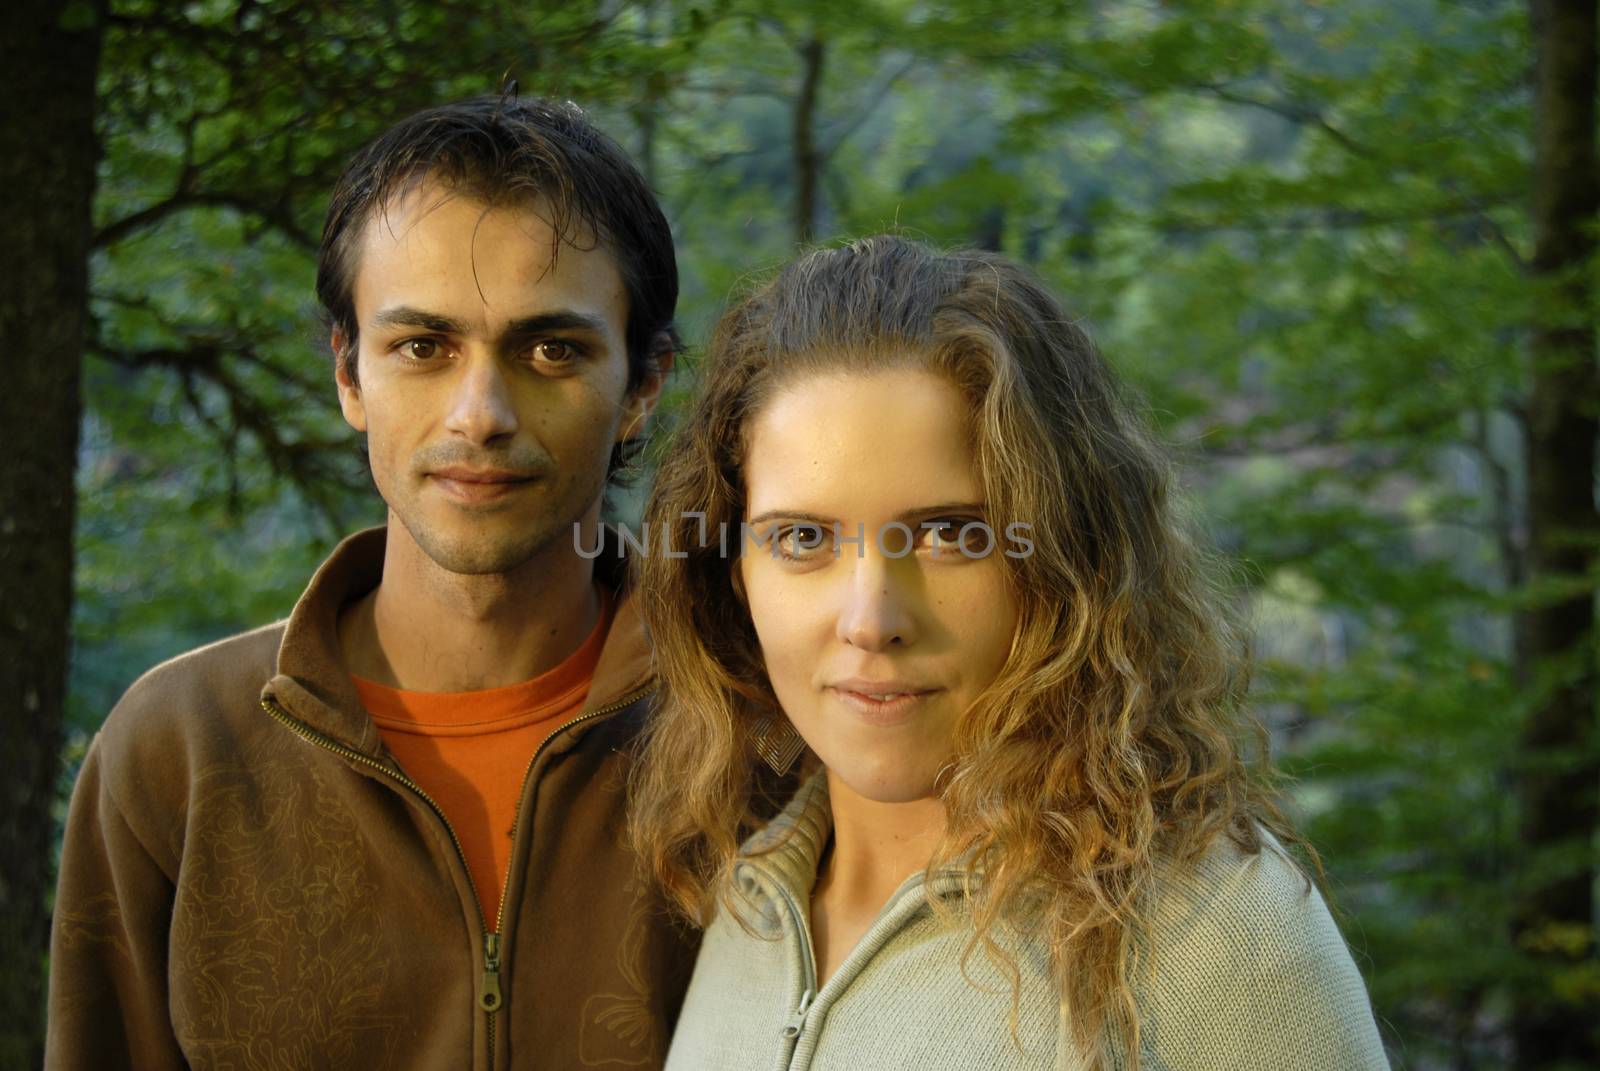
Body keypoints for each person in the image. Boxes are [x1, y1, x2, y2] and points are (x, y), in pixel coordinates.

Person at [628, 236, 1390, 1070]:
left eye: (952, 534)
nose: (871, 617)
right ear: (734, 574)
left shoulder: (1214, 928)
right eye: (804, 537)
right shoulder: (745, 902)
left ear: (1064, 564)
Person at [48, 96, 697, 1070]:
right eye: (422, 347)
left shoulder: (752, 729)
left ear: (642, 387)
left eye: (551, 349)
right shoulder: (177, 751)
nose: (479, 414)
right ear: (350, 375)